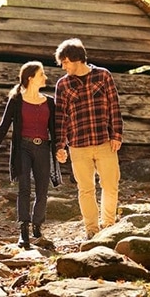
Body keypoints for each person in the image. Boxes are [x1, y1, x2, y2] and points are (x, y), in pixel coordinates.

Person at [0, 61, 62, 249]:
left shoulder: (50, 102)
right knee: (24, 188)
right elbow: (3, 126)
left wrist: (60, 148)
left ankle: (37, 224)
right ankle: (24, 230)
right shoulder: (16, 100)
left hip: (43, 148)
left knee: (42, 190)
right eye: (41, 74)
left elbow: (55, 130)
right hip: (23, 149)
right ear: (30, 78)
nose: (45, 77)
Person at [54, 38, 123, 240]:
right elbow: (60, 117)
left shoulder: (103, 76)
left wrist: (116, 134)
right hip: (78, 146)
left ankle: (108, 226)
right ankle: (92, 231)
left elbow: (114, 107)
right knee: (86, 190)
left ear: (75, 59)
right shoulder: (63, 84)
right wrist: (60, 145)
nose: (63, 67)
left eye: (65, 62)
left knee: (110, 186)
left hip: (104, 142)